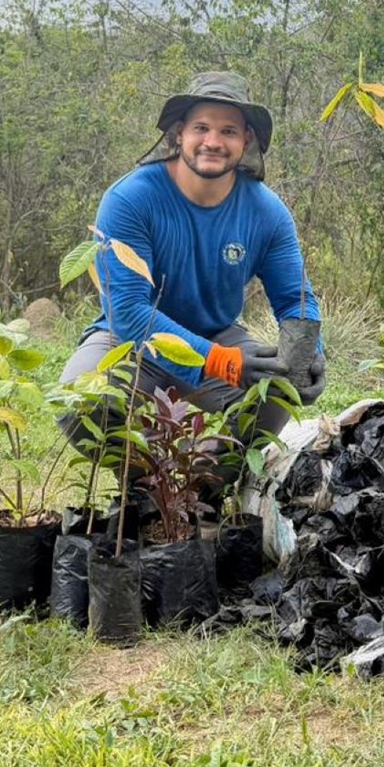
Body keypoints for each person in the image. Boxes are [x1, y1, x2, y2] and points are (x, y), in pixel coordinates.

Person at [58, 71, 325, 473]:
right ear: (179, 133)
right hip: (131, 341)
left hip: (217, 331)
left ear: (246, 141)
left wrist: (310, 356)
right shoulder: (130, 199)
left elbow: (295, 299)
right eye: (201, 127)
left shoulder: (267, 212)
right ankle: (148, 491)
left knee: (278, 390)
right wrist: (223, 363)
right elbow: (128, 311)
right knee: (83, 400)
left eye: (228, 131)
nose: (213, 141)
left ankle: (206, 490)